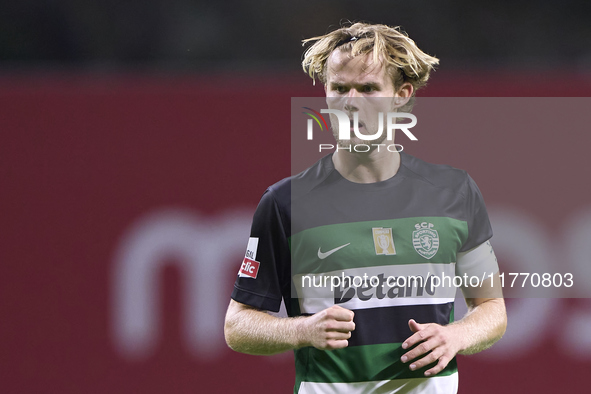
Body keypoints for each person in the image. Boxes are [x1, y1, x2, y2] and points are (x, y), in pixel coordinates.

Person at [224, 22, 506, 394]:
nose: (350, 101)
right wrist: (302, 330)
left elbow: (492, 310)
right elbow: (237, 325)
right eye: (339, 88)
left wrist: (456, 336)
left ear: (401, 95)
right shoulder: (284, 203)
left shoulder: (454, 192)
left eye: (369, 88)